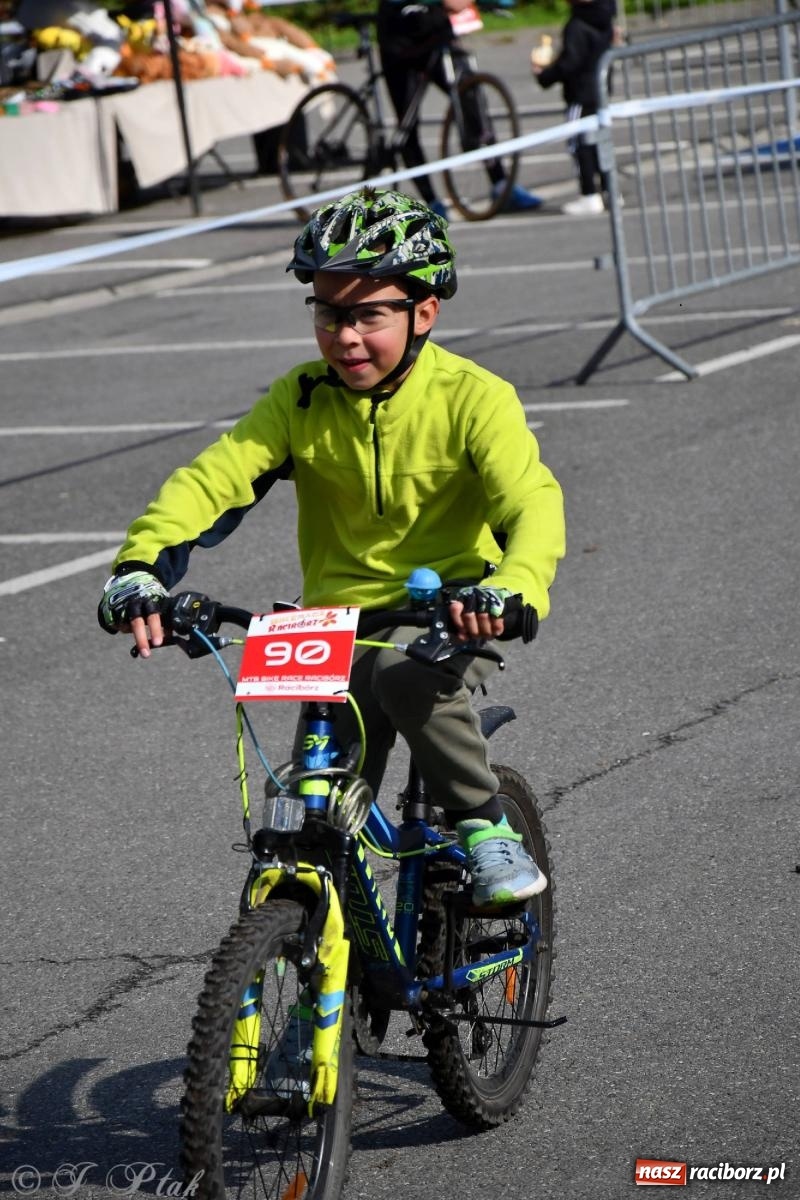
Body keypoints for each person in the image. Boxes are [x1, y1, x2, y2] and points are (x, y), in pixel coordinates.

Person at [98, 187, 565, 906]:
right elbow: (210, 484)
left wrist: (515, 588)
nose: (344, 337)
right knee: (314, 810)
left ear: (424, 314)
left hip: (448, 616)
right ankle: (314, 957)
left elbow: (531, 503)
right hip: (332, 627)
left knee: (405, 680)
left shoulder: (475, 398)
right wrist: (139, 567)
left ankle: (483, 823)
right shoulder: (301, 398)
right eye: (327, 313)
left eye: (367, 315)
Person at [376, 0, 543, 216]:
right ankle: (431, 200)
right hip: (400, 41)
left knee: (472, 97)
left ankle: (500, 184)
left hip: (434, 32)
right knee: (407, 124)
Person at [532, 0, 616, 216]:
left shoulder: (577, 24)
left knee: (579, 145)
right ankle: (610, 190)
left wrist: (545, 75)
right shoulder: (604, 16)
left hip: (580, 94)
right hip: (601, 92)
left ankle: (589, 194)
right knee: (600, 143)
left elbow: (570, 62)